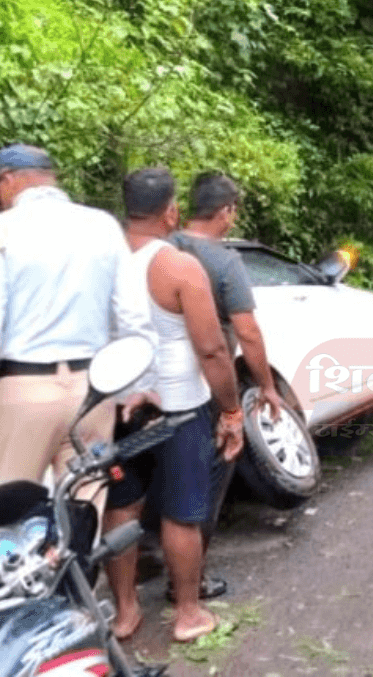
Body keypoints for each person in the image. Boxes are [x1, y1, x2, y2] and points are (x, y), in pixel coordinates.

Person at [0, 144, 157, 503]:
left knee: (14, 513)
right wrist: (134, 386)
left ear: (9, 181)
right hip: (92, 393)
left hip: (26, 393)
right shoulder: (103, 226)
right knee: (84, 513)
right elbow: (134, 318)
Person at [103, 168, 244, 643]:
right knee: (182, 511)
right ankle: (188, 613)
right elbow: (211, 349)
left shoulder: (103, 261)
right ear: (171, 211)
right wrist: (230, 410)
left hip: (122, 405)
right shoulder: (178, 266)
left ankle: (124, 613)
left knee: (121, 507)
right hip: (179, 406)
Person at [166, 171, 288, 601]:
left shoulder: (162, 249)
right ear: (225, 212)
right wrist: (267, 388)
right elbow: (248, 334)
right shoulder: (224, 262)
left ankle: (151, 556)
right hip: (203, 385)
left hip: (153, 384)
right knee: (208, 481)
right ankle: (189, 582)